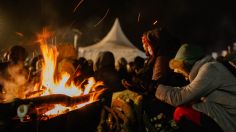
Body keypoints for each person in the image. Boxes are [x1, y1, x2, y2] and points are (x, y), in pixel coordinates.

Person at [155, 43, 236, 131]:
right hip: (226, 113)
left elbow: (180, 97)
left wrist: (155, 88)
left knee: (181, 112)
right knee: (190, 106)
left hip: (231, 120)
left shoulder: (210, 69)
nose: (184, 76)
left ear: (186, 65)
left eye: (182, 71)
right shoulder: (209, 67)